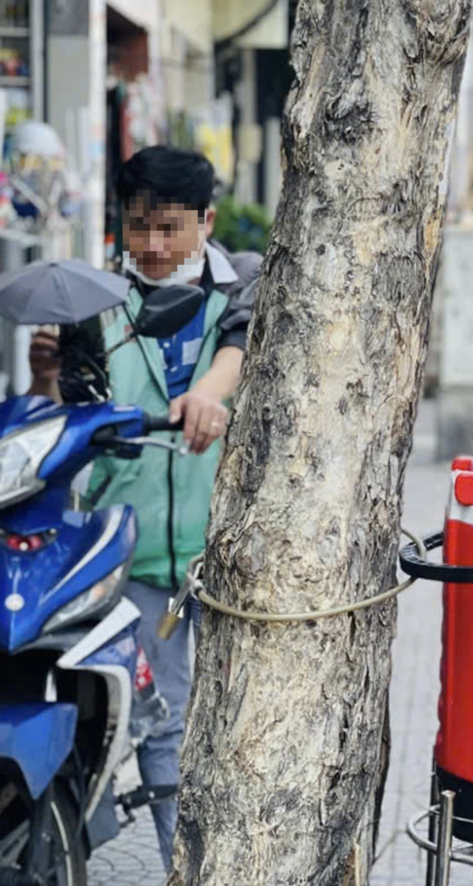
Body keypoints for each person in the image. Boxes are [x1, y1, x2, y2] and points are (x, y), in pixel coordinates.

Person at [28, 145, 260, 871]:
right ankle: (178, 867)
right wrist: (48, 380)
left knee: (236, 725)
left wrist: (209, 397)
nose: (153, 246)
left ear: (208, 221)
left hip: (231, 548)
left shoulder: (245, 284)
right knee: (157, 723)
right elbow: (77, 416)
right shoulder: (89, 303)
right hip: (129, 551)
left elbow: (240, 349)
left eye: (170, 227)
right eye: (138, 226)